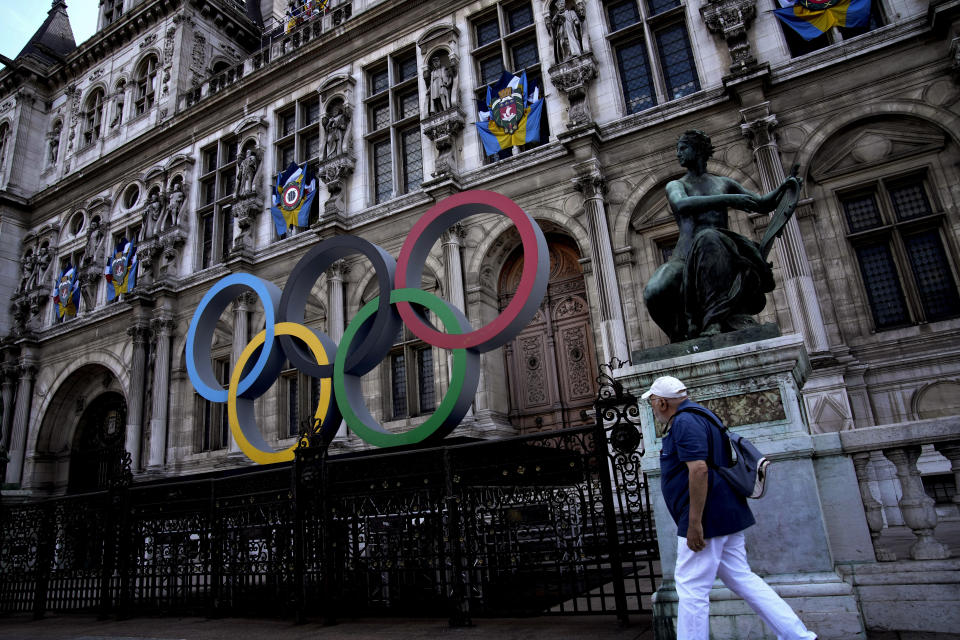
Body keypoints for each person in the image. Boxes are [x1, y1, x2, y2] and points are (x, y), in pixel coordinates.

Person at [644, 375, 817, 640]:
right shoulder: (703, 416)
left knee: (691, 589)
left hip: (707, 517)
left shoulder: (684, 422)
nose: (653, 408)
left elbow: (699, 469)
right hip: (726, 512)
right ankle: (798, 636)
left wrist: (694, 523)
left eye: (653, 402)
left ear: (663, 402)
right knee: (742, 579)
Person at [643, 130, 798, 342]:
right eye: (678, 150)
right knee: (654, 291)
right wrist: (728, 199)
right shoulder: (677, 185)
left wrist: (785, 186)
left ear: (697, 150)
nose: (678, 154)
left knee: (708, 237)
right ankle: (681, 338)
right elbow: (681, 204)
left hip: (719, 250)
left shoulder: (723, 183)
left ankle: (714, 320)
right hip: (684, 255)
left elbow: (762, 204)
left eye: (683, 148)